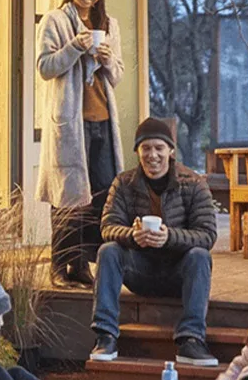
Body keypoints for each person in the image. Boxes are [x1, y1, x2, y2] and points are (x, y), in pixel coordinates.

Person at [89, 117, 219, 366]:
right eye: (145, 148)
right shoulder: (123, 183)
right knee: (108, 250)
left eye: (159, 148)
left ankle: (191, 339)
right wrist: (132, 236)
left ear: (170, 151)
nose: (152, 155)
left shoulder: (193, 184)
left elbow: (207, 235)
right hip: (139, 271)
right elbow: (107, 227)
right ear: (137, 151)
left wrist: (169, 236)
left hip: (178, 274)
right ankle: (105, 336)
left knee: (200, 256)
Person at [35, 0, 125, 287]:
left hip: (102, 120)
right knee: (67, 196)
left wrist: (107, 60)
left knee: (100, 194)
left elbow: (116, 75)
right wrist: (74, 47)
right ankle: (60, 265)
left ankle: (83, 265)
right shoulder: (54, 21)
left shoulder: (109, 25)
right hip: (70, 124)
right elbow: (45, 67)